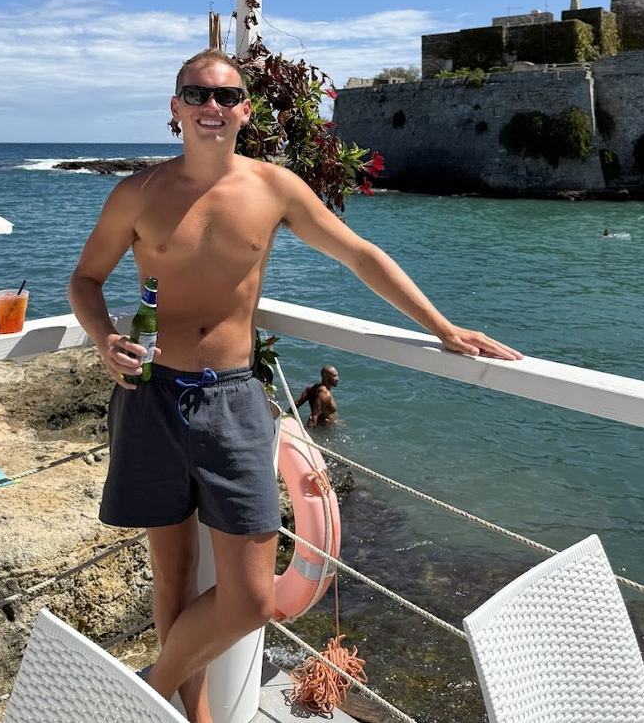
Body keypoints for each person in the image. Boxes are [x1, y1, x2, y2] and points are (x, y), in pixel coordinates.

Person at [68, 48, 522, 723]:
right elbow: (86, 279)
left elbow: (358, 253)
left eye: (226, 96)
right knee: (172, 578)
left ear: (246, 111)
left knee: (251, 599)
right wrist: (105, 339)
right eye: (197, 94)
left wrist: (442, 326)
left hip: (232, 399)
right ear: (175, 107)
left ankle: (142, 693)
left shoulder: (273, 188)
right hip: (151, 394)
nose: (212, 107)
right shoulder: (138, 192)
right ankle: (194, 717)